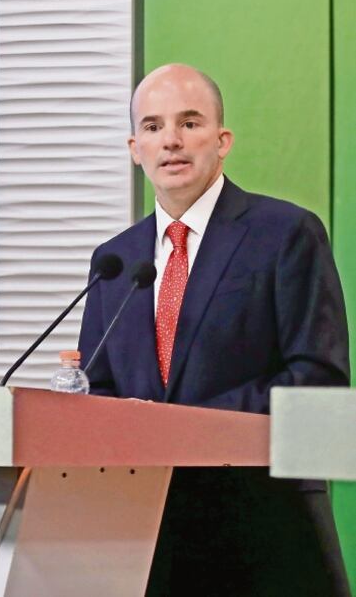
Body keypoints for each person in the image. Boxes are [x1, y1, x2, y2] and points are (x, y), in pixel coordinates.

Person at [77, 63, 351, 595]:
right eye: (153, 128)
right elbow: (99, 389)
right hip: (145, 540)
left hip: (264, 533)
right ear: (135, 149)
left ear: (222, 140)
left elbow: (316, 381)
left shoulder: (285, 234)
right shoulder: (115, 261)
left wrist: (181, 427)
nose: (171, 141)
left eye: (190, 122)